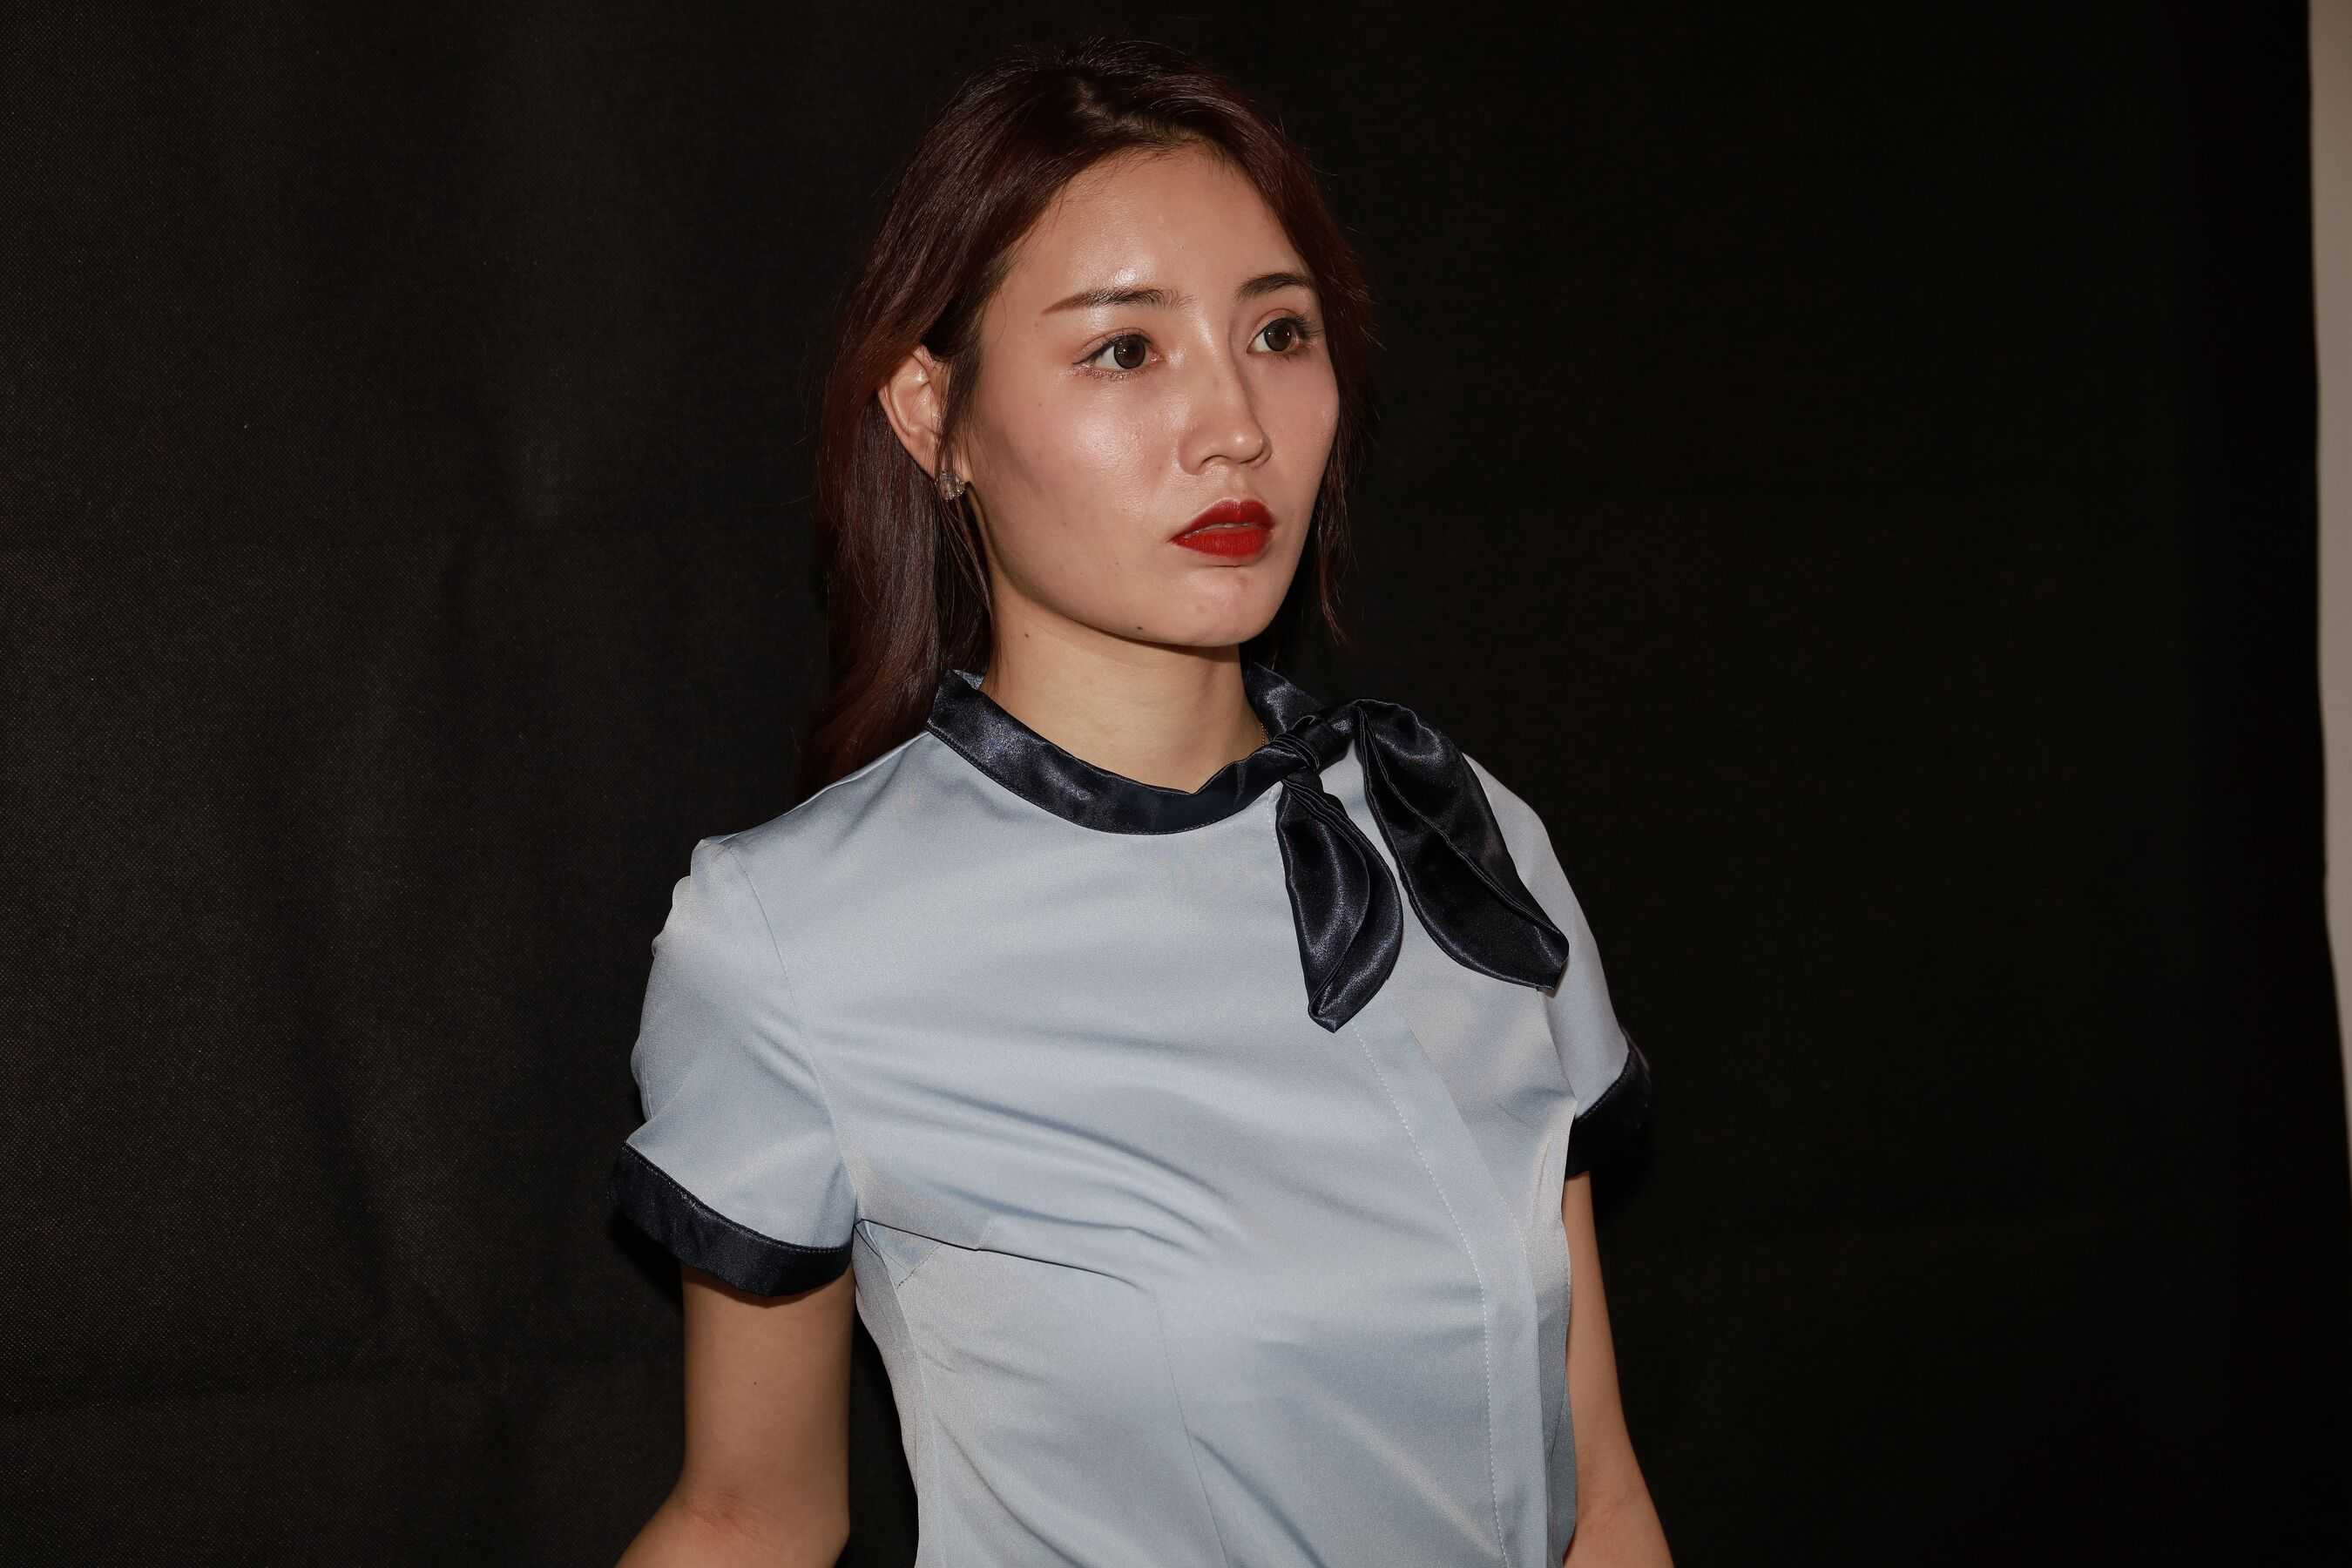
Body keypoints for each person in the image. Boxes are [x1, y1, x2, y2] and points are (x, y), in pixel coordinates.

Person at [608, 36, 1667, 1568]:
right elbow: (749, 1520)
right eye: (1125, 350)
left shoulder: (1458, 835)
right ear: (933, 417)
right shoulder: (801, 937)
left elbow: (1601, 1498)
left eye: (1279, 332)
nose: (1235, 424)